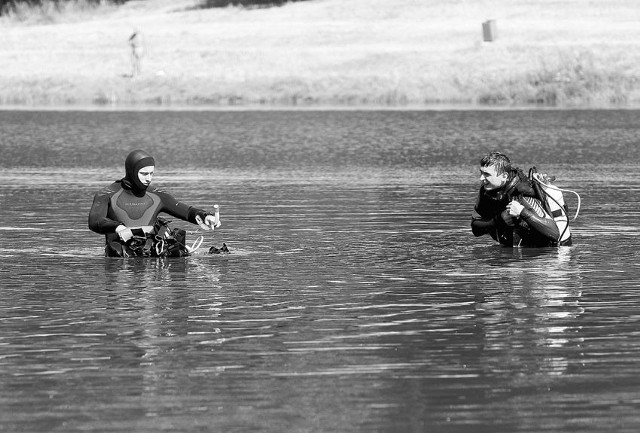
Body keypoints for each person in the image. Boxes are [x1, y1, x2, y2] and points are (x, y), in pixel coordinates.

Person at [89, 149, 219, 257]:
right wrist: (119, 227)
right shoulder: (107, 194)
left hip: (150, 255)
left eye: (151, 173)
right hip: (121, 256)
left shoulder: (157, 195)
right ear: (131, 171)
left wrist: (205, 216)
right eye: (144, 173)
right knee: (116, 250)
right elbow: (95, 221)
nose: (149, 179)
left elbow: (186, 211)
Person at [471, 151, 561, 247]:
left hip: (541, 256)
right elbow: (476, 229)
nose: (481, 178)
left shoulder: (522, 193)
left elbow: (554, 233)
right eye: (481, 173)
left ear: (504, 176)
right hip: (511, 253)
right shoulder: (486, 191)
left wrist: (522, 211)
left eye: (487, 174)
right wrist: (499, 220)